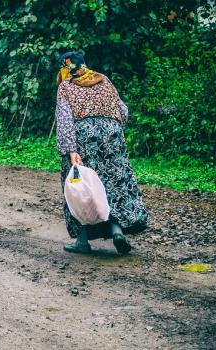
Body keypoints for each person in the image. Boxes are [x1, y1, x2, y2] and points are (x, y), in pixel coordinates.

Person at [55, 51, 149, 254]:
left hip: (84, 137)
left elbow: (64, 120)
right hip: (112, 134)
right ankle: (117, 232)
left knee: (80, 186)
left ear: (66, 68)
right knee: (112, 182)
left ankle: (82, 241)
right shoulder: (103, 79)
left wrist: (71, 150)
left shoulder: (66, 86)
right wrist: (111, 127)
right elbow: (123, 110)